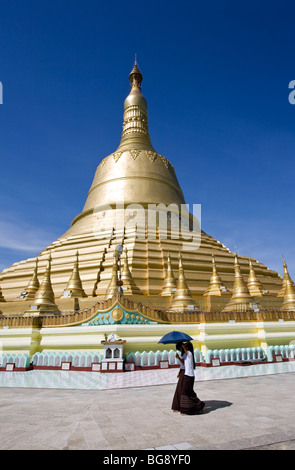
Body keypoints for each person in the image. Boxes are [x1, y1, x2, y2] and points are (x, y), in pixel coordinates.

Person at [178, 342, 205, 415]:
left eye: (186, 346)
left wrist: (183, 346)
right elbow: (184, 364)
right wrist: (178, 357)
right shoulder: (185, 355)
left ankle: (187, 410)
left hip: (190, 376)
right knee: (190, 392)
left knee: (185, 392)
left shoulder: (189, 353)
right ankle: (200, 405)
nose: (184, 347)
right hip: (187, 375)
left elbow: (186, 351)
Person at [171, 341, 185, 412]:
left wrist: (178, 358)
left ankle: (178, 407)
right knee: (180, 389)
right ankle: (178, 406)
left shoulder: (187, 354)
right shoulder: (183, 354)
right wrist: (179, 372)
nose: (179, 350)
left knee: (180, 389)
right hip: (182, 372)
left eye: (179, 349)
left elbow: (185, 364)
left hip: (185, 373)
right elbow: (182, 365)